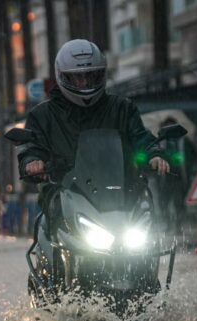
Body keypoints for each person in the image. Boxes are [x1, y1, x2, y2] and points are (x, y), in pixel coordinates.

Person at [17, 39, 171, 231]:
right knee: (54, 220)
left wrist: (154, 154)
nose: (84, 83)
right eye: (77, 78)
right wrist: (33, 161)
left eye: (90, 76)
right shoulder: (43, 115)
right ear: (62, 77)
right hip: (65, 192)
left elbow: (140, 136)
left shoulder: (122, 108)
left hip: (121, 192)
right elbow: (32, 146)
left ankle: (148, 258)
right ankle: (55, 257)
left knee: (145, 225)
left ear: (101, 74)